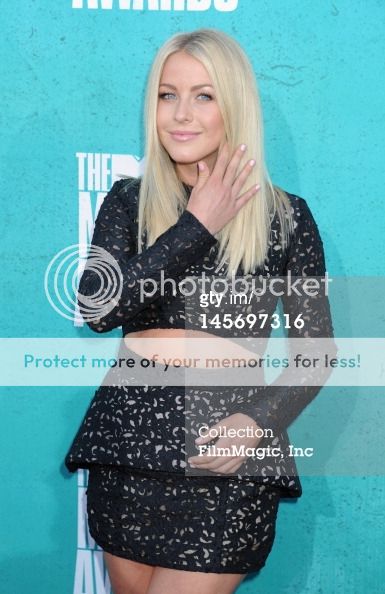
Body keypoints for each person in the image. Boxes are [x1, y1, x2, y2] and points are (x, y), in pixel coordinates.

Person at [64, 28, 335, 594]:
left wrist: (255, 424)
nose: (181, 114)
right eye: (168, 95)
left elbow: (316, 354)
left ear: (233, 106)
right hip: (127, 450)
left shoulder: (285, 218)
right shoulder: (127, 202)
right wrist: (197, 226)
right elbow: (100, 308)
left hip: (224, 456)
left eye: (203, 95)